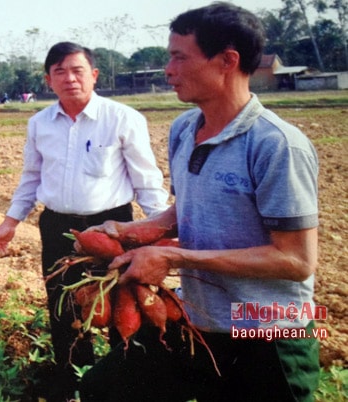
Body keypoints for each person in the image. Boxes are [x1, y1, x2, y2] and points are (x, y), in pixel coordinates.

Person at [79, 3, 320, 401]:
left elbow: (296, 261)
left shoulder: (276, 144)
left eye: (179, 57)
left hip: (267, 329)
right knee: (103, 388)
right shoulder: (185, 128)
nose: (167, 70)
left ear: (227, 60)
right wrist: (127, 231)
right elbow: (186, 209)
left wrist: (175, 259)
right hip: (201, 321)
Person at [0, 41, 169, 401]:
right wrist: (9, 222)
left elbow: (147, 181)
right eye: (60, 72)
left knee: (124, 305)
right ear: (48, 80)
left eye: (77, 70)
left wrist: (162, 229)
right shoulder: (40, 123)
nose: (69, 78)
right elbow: (31, 177)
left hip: (114, 227)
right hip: (58, 227)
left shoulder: (123, 119)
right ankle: (72, 383)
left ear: (94, 75)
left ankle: (125, 383)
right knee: (63, 306)